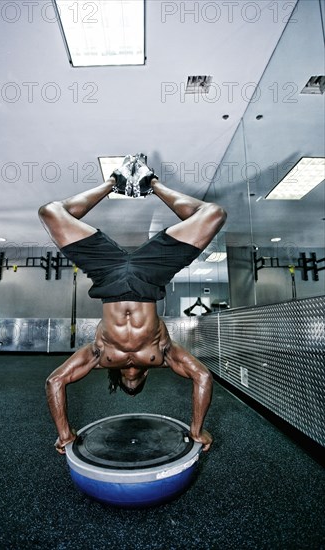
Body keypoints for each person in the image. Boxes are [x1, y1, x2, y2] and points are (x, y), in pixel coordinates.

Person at [39, 154, 226, 454]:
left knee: (50, 212)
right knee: (213, 214)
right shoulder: (163, 355)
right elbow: (202, 376)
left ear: (117, 374)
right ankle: (151, 184)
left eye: (127, 378)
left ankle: (114, 182)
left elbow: (54, 381)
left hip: (107, 274)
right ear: (147, 373)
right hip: (149, 277)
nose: (131, 372)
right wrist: (196, 430)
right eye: (135, 378)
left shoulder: (100, 355)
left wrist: (65, 434)